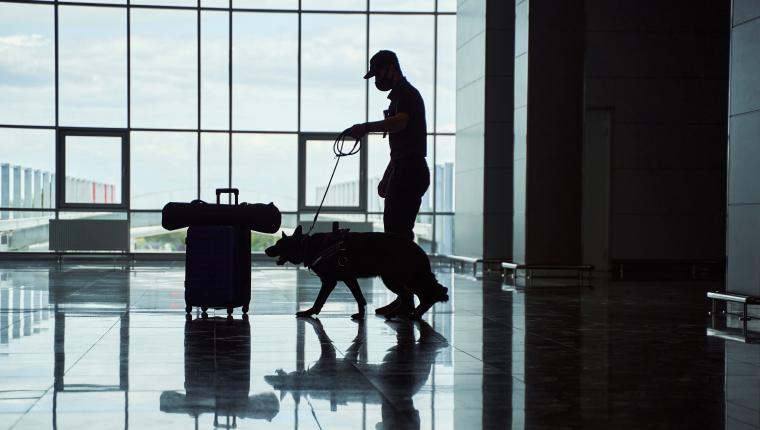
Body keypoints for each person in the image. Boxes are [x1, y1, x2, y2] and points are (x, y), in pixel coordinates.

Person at [347, 50, 430, 316]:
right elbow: (400, 149)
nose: (376, 81)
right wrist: (387, 175)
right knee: (396, 238)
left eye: (377, 74)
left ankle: (411, 297)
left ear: (390, 68)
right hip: (404, 169)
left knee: (398, 239)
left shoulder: (406, 94)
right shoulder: (398, 97)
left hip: (410, 171)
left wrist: (365, 127)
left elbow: (401, 124)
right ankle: (405, 298)